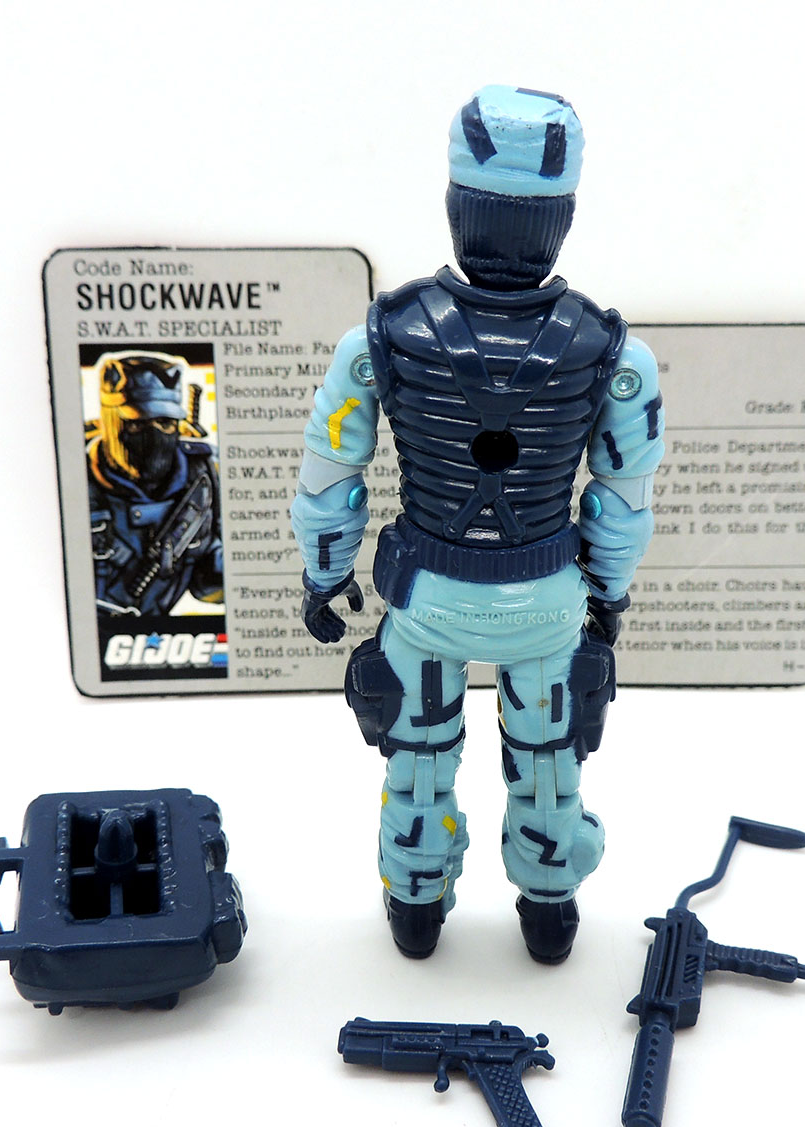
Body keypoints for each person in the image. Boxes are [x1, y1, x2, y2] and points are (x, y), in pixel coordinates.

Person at [291, 86, 665, 963]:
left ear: (457, 205)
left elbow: (330, 474)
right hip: (548, 605)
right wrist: (609, 595)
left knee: (419, 762)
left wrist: (325, 574)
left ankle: (416, 908)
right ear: (561, 219)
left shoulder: (379, 338)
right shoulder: (616, 353)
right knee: (549, 763)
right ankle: (548, 910)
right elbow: (622, 500)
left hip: (428, 602)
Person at [87, 351, 223, 617]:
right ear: (110, 421)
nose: (153, 435)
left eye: (165, 423)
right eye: (136, 425)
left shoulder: (204, 473)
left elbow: (212, 579)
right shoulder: (79, 481)